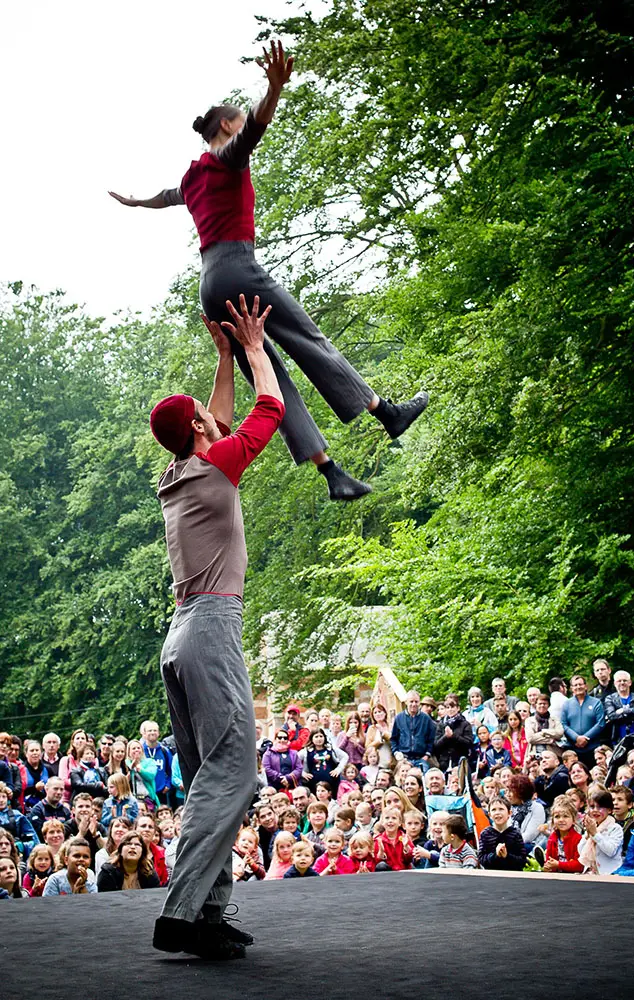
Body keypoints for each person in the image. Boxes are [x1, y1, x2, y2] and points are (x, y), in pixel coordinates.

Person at [110, 40, 428, 503]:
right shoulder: (226, 158)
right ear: (225, 126)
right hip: (239, 269)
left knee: (266, 371)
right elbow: (254, 129)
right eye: (235, 125)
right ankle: (387, 413)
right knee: (307, 340)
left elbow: (166, 195)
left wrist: (137, 201)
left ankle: (332, 472)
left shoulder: (191, 176)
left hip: (209, 283)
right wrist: (273, 90)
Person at [149, 292, 286, 958]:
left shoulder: (179, 472)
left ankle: (206, 916)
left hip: (180, 635)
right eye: (205, 416)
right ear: (200, 431)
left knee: (212, 776)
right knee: (233, 774)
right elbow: (269, 411)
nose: (211, 415)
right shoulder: (214, 463)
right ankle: (181, 912)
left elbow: (220, 417)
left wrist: (222, 358)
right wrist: (257, 348)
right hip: (209, 627)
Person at [560, 675, 606, 766]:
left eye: (580, 684)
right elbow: (563, 724)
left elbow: (600, 723)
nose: (578, 687)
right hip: (573, 748)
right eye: (575, 685)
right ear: (571, 688)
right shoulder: (566, 704)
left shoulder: (596, 702)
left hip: (593, 747)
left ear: (586, 686)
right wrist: (576, 738)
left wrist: (586, 738)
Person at [578, 787, 623, 874]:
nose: (595, 810)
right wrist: (587, 834)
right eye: (592, 807)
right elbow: (580, 851)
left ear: (610, 810)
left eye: (600, 807)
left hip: (610, 874)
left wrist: (595, 834)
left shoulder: (615, 828)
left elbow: (611, 851)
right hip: (591, 872)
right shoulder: (591, 826)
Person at [98, 831, 162, 892]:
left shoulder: (149, 872)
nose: (133, 847)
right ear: (120, 850)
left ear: (143, 851)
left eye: (137, 844)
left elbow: (156, 897)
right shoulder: (108, 872)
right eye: (128, 843)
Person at [390, 691, 436, 772]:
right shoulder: (399, 718)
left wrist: (427, 755)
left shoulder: (426, 719)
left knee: (423, 780)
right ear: (406, 702)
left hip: (421, 758)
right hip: (404, 759)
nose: (414, 704)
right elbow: (393, 738)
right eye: (411, 701)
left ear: (419, 703)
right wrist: (396, 752)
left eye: (416, 701)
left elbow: (431, 739)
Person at [478, 798, 527, 871]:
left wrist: (507, 856)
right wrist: (496, 855)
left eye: (501, 809)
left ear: (509, 813)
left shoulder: (515, 834)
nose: (497, 812)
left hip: (512, 875)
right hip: (492, 875)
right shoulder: (485, 834)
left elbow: (522, 860)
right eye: (494, 810)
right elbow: (481, 859)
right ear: (489, 815)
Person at [605, 671, 634, 743]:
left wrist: (623, 710)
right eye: (619, 681)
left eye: (625, 680)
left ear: (630, 683)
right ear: (615, 684)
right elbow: (611, 716)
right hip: (618, 736)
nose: (622, 683)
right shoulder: (610, 698)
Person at [543, 796, 583, 873]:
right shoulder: (552, 838)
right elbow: (549, 860)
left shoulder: (578, 839)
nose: (561, 820)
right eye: (557, 817)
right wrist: (548, 867)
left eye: (565, 816)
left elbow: (580, 865)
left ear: (574, 820)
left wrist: (559, 865)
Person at [433, 694, 473, 772]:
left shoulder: (465, 724)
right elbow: (436, 745)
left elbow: (468, 743)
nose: (450, 709)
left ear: (458, 708)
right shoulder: (441, 724)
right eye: (448, 707)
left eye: (452, 707)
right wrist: (445, 737)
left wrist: (453, 736)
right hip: (444, 762)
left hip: (460, 761)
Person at [63, 792, 106, 863]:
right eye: (80, 806)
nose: (84, 809)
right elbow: (64, 851)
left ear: (92, 810)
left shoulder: (98, 826)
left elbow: (108, 849)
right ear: (73, 810)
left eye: (87, 806)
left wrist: (96, 835)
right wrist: (81, 833)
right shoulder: (67, 826)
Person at [0, 781, 38, 861]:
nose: (1, 800)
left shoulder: (17, 815)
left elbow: (33, 837)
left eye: (3, 797)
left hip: (15, 854)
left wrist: (22, 846)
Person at [506, 774, 546, 850]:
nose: (508, 795)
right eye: (507, 791)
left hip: (529, 846)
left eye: (511, 792)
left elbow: (529, 836)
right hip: (513, 844)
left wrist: (508, 843)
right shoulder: (513, 808)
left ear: (521, 793)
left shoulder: (537, 808)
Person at [139, 722, 173, 806]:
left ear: (158, 733)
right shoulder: (140, 750)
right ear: (144, 733)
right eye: (149, 730)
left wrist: (168, 785)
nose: (152, 732)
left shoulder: (164, 751)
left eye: (155, 730)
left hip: (161, 792)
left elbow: (171, 770)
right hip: (145, 792)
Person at [373, 807, 414, 871]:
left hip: (403, 871)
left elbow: (410, 859)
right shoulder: (378, 840)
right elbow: (376, 863)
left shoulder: (405, 838)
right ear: (382, 822)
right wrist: (380, 853)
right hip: (388, 873)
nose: (390, 821)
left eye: (394, 818)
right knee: (381, 865)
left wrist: (406, 847)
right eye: (387, 818)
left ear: (400, 823)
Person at [125, 739, 159, 810]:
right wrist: (131, 767)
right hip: (132, 800)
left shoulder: (150, 762)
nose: (136, 750)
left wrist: (139, 769)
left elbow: (151, 776)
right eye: (133, 748)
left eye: (138, 748)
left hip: (148, 798)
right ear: (128, 752)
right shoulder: (126, 764)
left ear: (142, 750)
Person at [57, 729, 88, 804]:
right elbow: (62, 781)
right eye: (77, 738)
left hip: (87, 800)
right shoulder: (65, 760)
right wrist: (78, 783)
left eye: (83, 738)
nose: (80, 740)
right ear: (73, 742)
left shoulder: (93, 760)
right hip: (67, 800)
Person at [365, 703, 394, 769]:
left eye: (379, 711)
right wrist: (377, 742)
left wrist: (384, 734)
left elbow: (395, 742)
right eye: (375, 713)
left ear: (385, 713)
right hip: (378, 763)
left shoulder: (391, 726)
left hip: (392, 762)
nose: (377, 714)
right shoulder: (371, 728)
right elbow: (367, 747)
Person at [23, 741, 50, 813]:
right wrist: (35, 788)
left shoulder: (47, 768)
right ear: (26, 754)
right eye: (32, 751)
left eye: (37, 750)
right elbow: (20, 791)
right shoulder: (21, 769)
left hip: (46, 807)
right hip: (27, 807)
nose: (35, 753)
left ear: (41, 753)